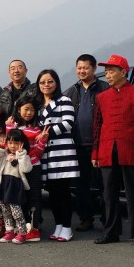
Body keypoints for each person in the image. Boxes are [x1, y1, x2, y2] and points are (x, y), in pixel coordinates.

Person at [92, 54, 134, 249]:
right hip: (107, 150)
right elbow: (97, 127)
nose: (108, 75)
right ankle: (111, 232)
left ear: (123, 72)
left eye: (111, 71)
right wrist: (95, 152)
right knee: (108, 194)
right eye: (106, 71)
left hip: (132, 151)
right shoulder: (101, 97)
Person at [62, 54, 110, 232]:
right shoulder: (72, 91)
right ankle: (86, 218)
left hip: (101, 144)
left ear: (94, 69)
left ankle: (107, 220)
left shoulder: (104, 88)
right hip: (78, 145)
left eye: (86, 68)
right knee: (81, 185)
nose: (82, 71)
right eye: (79, 68)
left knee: (104, 184)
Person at [34, 69, 80, 242]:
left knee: (63, 192)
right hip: (46, 155)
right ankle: (59, 225)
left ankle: (67, 227)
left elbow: (68, 123)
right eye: (42, 82)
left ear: (56, 83)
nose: (46, 85)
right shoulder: (39, 106)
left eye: (50, 81)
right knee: (53, 193)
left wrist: (46, 134)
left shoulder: (64, 100)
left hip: (62, 153)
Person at [5, 97, 49, 241]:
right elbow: (8, 146)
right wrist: (8, 128)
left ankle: (34, 230)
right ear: (19, 110)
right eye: (26, 109)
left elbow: (38, 152)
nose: (29, 113)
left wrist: (42, 140)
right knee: (20, 197)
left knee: (34, 197)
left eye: (32, 110)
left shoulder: (37, 129)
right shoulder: (12, 126)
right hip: (16, 168)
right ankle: (23, 228)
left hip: (33, 167)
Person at [0, 129, 33, 244]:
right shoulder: (4, 153)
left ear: (22, 143)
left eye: (16, 143)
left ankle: (22, 233)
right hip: (3, 184)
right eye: (10, 143)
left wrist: (21, 154)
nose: (13, 146)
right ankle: (9, 231)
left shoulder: (24, 155)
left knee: (16, 210)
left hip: (15, 185)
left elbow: (26, 169)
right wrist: (0, 148)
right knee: (5, 210)